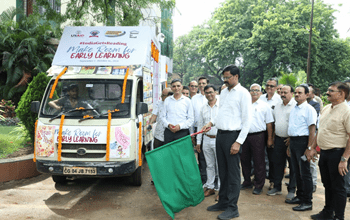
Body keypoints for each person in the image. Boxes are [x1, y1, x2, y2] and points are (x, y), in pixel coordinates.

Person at [202, 65, 252, 220]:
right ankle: (222, 202)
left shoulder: (243, 94)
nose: (225, 80)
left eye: (228, 77)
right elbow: (221, 113)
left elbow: (247, 120)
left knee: (233, 175)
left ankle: (232, 207)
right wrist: (211, 123)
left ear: (236, 76)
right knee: (222, 172)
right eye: (224, 77)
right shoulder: (224, 92)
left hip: (233, 137)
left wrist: (238, 142)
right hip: (220, 135)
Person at [307, 81, 350, 220]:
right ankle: (327, 212)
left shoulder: (347, 111)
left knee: (338, 187)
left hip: (338, 154)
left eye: (331, 90)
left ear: (342, 94)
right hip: (324, 153)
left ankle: (339, 217)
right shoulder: (326, 108)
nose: (327, 93)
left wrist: (344, 159)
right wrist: (313, 147)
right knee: (327, 184)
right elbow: (320, 130)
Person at [285, 84, 317, 212]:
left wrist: (309, 148)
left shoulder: (309, 109)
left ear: (307, 95)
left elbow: (312, 129)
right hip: (294, 142)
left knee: (305, 173)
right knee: (296, 171)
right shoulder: (295, 108)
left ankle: (307, 201)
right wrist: (290, 145)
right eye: (296, 92)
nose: (297, 94)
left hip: (304, 142)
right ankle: (299, 196)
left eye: (300, 92)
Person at [240, 83, 274, 195]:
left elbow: (269, 123)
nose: (254, 92)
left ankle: (259, 184)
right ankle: (247, 181)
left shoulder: (264, 106)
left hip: (258, 136)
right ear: (249, 92)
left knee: (259, 161)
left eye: (257, 90)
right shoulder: (244, 104)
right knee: (244, 160)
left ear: (260, 92)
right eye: (252, 90)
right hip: (244, 135)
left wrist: (270, 138)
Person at [267, 85, 297, 201]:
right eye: (281, 92)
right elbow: (274, 123)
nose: (283, 94)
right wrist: (272, 138)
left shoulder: (295, 106)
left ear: (292, 93)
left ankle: (291, 190)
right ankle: (277, 187)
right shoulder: (277, 106)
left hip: (291, 140)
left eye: (286, 92)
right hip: (278, 139)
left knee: (293, 166)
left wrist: (291, 138)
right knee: (277, 164)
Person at [196, 85, 220, 200]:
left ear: (215, 92)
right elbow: (200, 125)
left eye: (211, 92)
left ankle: (220, 189)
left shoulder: (221, 106)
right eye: (207, 93)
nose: (209, 95)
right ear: (204, 94)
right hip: (206, 139)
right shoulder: (203, 107)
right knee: (209, 165)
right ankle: (210, 187)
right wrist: (198, 142)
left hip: (218, 139)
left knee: (220, 165)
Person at [259, 78, 281, 190]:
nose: (269, 88)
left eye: (272, 86)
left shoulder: (279, 100)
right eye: (267, 85)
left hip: (273, 131)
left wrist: (271, 137)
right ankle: (259, 179)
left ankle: (273, 181)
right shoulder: (261, 98)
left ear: (276, 88)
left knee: (273, 158)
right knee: (259, 157)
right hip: (261, 130)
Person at [160, 79, 194, 144]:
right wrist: (168, 125)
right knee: (169, 153)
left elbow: (191, 119)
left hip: (182, 132)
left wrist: (180, 126)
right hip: (169, 132)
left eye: (178, 86)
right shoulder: (167, 100)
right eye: (174, 86)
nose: (176, 88)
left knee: (182, 153)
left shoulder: (187, 101)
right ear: (171, 88)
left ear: (182, 87)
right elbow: (162, 116)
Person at [192, 76, 209, 184]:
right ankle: (204, 179)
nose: (202, 85)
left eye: (204, 83)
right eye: (200, 84)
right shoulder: (194, 99)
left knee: (212, 157)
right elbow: (191, 116)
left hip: (210, 131)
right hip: (198, 130)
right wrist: (193, 134)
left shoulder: (213, 97)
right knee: (201, 156)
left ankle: (214, 180)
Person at [307, 86, 320, 193]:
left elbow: (312, 123)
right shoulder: (296, 105)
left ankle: (313, 183)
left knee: (312, 160)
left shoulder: (315, 104)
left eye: (309, 92)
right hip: (301, 137)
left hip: (312, 134)